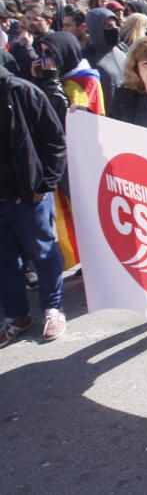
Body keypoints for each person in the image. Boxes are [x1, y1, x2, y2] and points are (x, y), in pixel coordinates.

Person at [0, 62, 67, 347]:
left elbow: (54, 141)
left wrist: (44, 186)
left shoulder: (23, 92)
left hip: (29, 198)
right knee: (4, 262)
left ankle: (53, 309)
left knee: (43, 252)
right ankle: (17, 317)